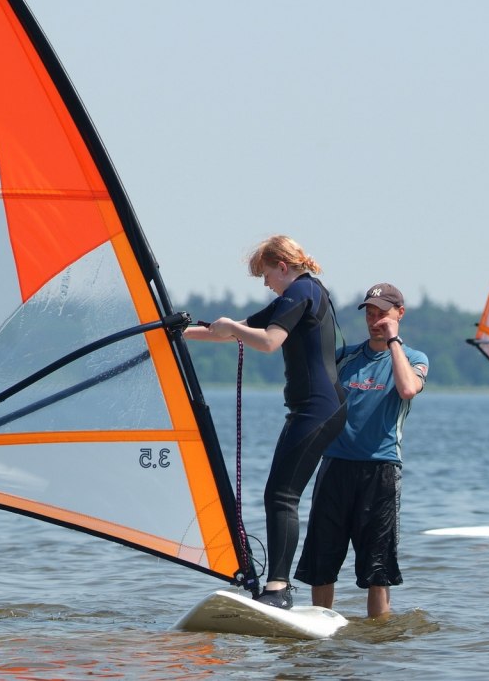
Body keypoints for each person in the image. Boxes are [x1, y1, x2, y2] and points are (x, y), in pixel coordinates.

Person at [183, 235, 346, 610]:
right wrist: (174, 334)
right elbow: (228, 330)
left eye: (265, 275)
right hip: (315, 408)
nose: (265, 283)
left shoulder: (300, 292)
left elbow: (269, 342)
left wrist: (232, 327)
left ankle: (278, 588)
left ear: (282, 267)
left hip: (318, 409)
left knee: (281, 494)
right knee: (280, 493)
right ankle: (278, 586)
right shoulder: (302, 293)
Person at [294, 283, 428, 618]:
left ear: (399, 314)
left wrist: (393, 340)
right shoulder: (345, 357)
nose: (374, 320)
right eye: (369, 313)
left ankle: (377, 639)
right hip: (335, 467)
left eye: (382, 313)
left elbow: (408, 388)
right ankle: (318, 631)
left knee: (376, 572)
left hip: (381, 471)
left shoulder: (413, 359)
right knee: (321, 563)